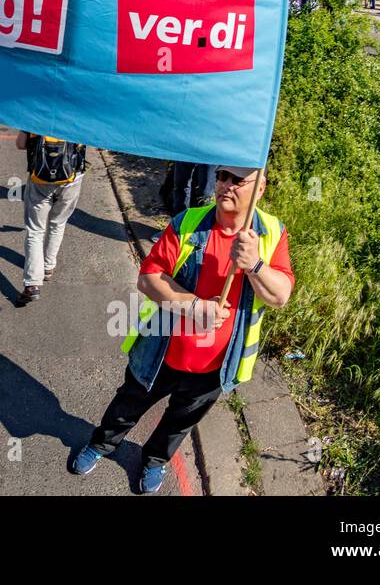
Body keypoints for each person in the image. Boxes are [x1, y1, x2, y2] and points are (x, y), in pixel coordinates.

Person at [70, 166, 294, 493]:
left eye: (238, 180)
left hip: (217, 364)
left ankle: (155, 459)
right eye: (222, 176)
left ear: (259, 189)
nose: (226, 185)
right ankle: (102, 443)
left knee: (180, 422)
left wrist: (255, 264)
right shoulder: (188, 223)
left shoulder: (272, 233)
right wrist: (194, 305)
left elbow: (280, 296)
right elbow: (148, 278)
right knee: (128, 404)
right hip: (163, 351)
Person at [13, 132, 87, 306]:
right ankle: (48, 266)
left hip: (40, 178)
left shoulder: (36, 113)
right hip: (72, 179)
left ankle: (32, 284)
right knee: (58, 223)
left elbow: (20, 144)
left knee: (35, 231)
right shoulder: (80, 112)